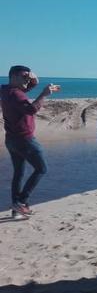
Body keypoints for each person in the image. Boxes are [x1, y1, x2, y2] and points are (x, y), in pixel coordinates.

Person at [1, 65, 60, 219]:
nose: (27, 80)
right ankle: (21, 202)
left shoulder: (7, 90)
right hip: (24, 139)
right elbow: (31, 110)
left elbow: (24, 90)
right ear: (13, 77)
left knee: (19, 173)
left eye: (28, 77)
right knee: (42, 169)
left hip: (12, 140)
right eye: (24, 77)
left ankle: (16, 210)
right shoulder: (16, 95)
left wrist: (33, 80)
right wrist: (44, 94)